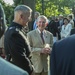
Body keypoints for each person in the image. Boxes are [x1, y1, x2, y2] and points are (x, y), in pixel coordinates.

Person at [4, 5, 34, 75]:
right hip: (19, 71)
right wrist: (30, 70)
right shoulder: (14, 33)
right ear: (21, 16)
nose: (30, 19)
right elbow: (20, 57)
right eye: (28, 16)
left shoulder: (16, 30)